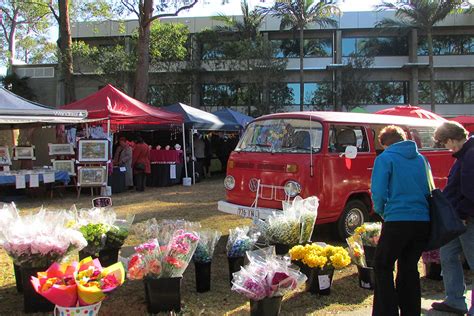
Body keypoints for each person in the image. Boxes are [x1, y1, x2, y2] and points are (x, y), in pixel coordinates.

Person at [370, 125, 430, 316]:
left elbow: (378, 192)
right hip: (422, 219)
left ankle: (386, 311)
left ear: (385, 143)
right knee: (409, 267)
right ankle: (411, 311)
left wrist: (381, 211)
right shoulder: (421, 159)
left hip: (397, 218)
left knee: (382, 265)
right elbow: (429, 187)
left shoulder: (385, 158)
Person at [431, 121, 474, 315]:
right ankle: (455, 299)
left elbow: (470, 189)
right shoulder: (465, 153)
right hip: (458, 216)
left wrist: (464, 213)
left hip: (466, 217)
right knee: (447, 255)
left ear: (450, 140)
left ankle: (460, 301)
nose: (445, 147)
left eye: (443, 143)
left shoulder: (470, 154)